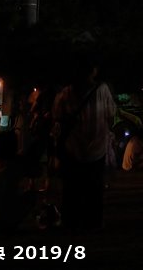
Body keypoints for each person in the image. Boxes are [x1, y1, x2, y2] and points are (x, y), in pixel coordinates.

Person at [51, 52, 117, 231]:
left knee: (71, 189)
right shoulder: (102, 90)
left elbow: (57, 118)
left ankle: (71, 221)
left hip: (72, 148)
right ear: (93, 71)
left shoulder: (65, 93)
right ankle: (93, 221)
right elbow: (111, 115)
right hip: (97, 148)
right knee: (94, 189)